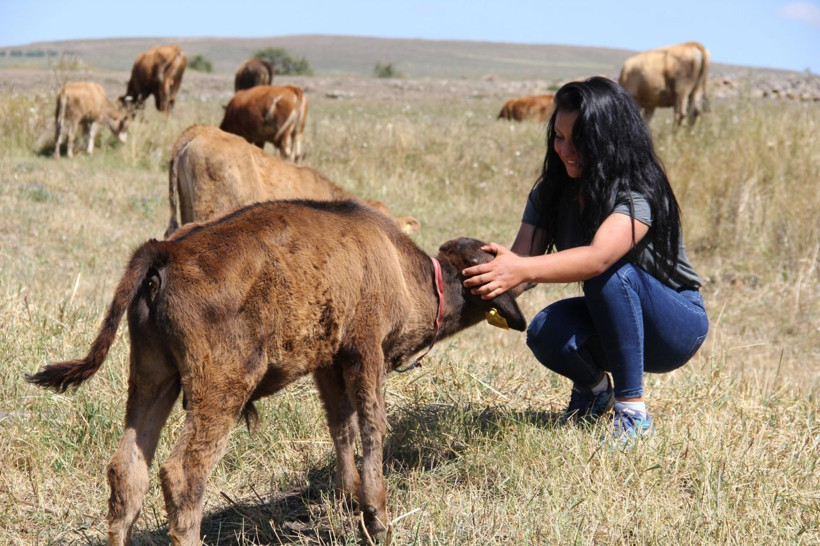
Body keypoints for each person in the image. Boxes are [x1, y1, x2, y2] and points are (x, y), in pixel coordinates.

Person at [463, 76, 709, 441]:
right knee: (546, 330)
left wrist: (518, 267)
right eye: (559, 137)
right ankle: (596, 393)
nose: (566, 149)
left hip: (674, 328)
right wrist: (458, 300)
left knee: (609, 273)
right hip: (611, 317)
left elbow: (597, 258)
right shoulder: (550, 192)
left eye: (579, 139)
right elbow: (520, 267)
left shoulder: (637, 191)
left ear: (609, 140)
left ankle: (633, 415)